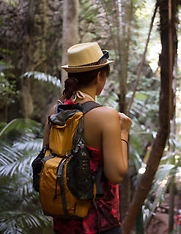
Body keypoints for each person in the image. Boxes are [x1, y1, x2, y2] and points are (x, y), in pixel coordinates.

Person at [42, 42, 132, 234]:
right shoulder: (105, 116)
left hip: (63, 222)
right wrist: (124, 131)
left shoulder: (54, 113)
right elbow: (116, 175)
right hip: (100, 223)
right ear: (100, 76)